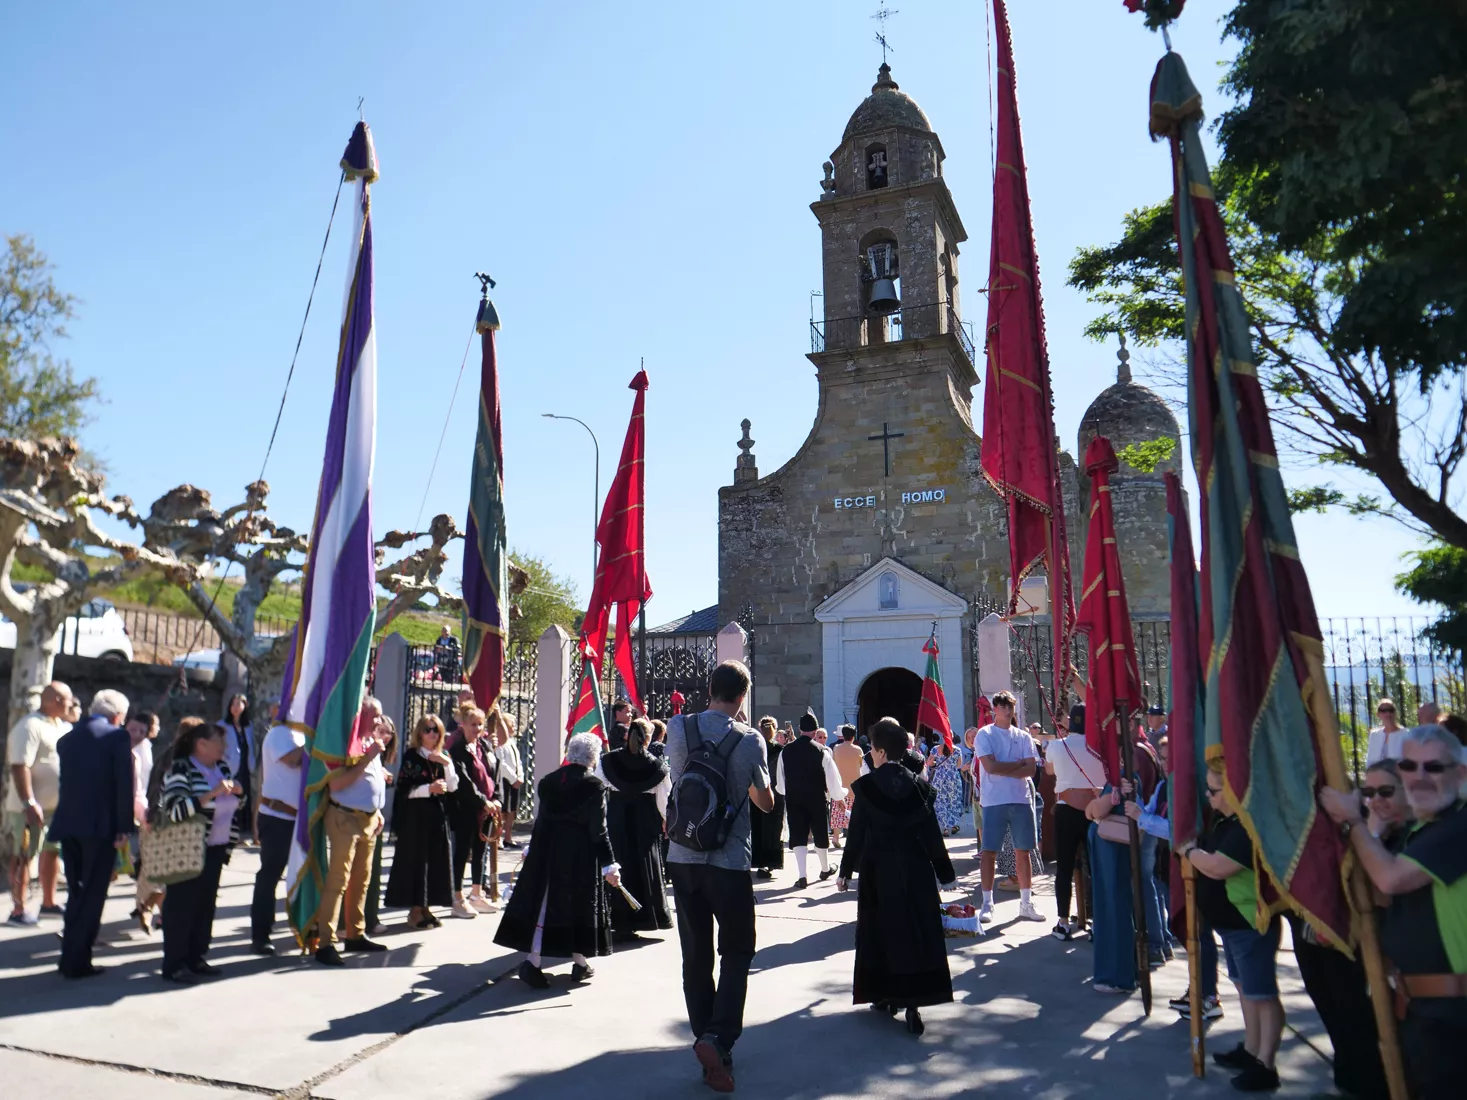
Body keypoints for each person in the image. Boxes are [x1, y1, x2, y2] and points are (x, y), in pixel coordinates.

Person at [1320, 725, 1467, 1100]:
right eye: (1409, 766)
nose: (1419, 777)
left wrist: (1353, 822)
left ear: (1460, 773)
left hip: (1454, 1017)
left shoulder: (1458, 826)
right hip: (1422, 1011)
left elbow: (1389, 880)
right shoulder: (1424, 829)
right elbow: (1374, 897)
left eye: (1433, 767)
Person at [664, 660, 773, 1093]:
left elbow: (676, 780)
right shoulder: (750, 739)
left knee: (696, 956)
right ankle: (718, 1037)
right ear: (743, 697)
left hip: (682, 854)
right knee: (737, 950)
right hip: (728, 862)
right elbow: (764, 803)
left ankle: (706, 1042)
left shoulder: (677, 727)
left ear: (709, 688)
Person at [838, 716, 957, 1037]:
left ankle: (884, 993)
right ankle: (914, 1002)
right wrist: (945, 873)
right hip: (915, 870)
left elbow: (857, 834)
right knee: (914, 932)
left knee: (881, 931)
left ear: (878, 752)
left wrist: (845, 871)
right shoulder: (920, 787)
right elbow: (932, 835)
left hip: (879, 870)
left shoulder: (866, 788)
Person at [1180, 760, 1284, 1092]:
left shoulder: (1246, 827)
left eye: (1213, 790)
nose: (1208, 796)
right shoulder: (1228, 822)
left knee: (1262, 995)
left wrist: (1190, 852)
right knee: (1246, 991)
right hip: (1232, 926)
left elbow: (1219, 867)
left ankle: (1266, 1063)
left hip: (1249, 924)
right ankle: (1252, 1049)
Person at [495, 732, 621, 985]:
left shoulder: (548, 781)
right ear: (593, 758)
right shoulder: (594, 786)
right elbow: (599, 830)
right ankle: (534, 963)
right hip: (577, 859)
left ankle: (578, 963)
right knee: (574, 910)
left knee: (545, 908)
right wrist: (609, 863)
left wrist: (533, 847)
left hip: (547, 854)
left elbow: (542, 821)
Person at [47, 689, 133, 978]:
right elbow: (123, 785)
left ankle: (70, 956)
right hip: (100, 827)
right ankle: (76, 961)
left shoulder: (67, 739)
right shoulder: (116, 737)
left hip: (69, 824)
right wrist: (124, 827)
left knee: (77, 891)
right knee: (93, 894)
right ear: (118, 716)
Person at [158, 717, 241, 982]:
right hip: (188, 849)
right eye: (220, 742)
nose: (224, 747)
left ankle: (197, 956)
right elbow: (175, 809)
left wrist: (238, 793)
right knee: (181, 907)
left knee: (205, 906)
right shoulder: (180, 769)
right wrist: (211, 795)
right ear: (201, 744)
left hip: (215, 847)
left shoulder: (222, 768)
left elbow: (233, 803)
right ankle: (175, 963)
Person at [314, 698, 390, 965]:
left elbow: (372, 781)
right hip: (344, 818)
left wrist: (377, 810)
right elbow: (337, 785)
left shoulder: (369, 743)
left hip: (368, 820)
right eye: (376, 716)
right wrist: (366, 760)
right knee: (338, 881)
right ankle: (326, 942)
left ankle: (355, 933)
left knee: (362, 880)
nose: (380, 721)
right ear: (361, 716)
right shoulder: (345, 744)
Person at [599, 716, 673, 941]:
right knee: (643, 867)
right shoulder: (658, 767)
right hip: (644, 823)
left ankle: (616, 919)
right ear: (648, 738)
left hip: (616, 821)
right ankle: (642, 918)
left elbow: (597, 789)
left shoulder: (607, 761)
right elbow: (664, 800)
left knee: (617, 864)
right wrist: (666, 821)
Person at [7, 681, 73, 926]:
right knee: (25, 855)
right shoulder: (29, 726)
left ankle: (49, 902)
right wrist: (29, 801)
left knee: (52, 853)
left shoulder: (59, 726)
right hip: (29, 808)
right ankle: (18, 909)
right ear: (55, 700)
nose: (71, 703)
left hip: (54, 807)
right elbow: (19, 765)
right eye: (67, 698)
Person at [974, 691, 1043, 923]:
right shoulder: (985, 734)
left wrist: (1007, 766)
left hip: (1021, 799)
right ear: (994, 708)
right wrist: (1016, 766)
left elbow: (1031, 770)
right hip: (994, 800)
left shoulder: (1023, 736)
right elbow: (990, 768)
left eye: (1010, 706)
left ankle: (1025, 903)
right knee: (989, 852)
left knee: (1023, 852)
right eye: (1002, 705)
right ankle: (986, 903)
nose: (1007, 709)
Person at [385, 714, 457, 929]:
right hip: (415, 819)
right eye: (428, 729)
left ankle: (427, 908)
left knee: (435, 862)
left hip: (437, 818)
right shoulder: (411, 757)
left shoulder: (443, 754)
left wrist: (447, 764)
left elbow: (453, 786)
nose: (432, 734)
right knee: (417, 863)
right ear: (419, 733)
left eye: (436, 730)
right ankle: (415, 911)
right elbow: (404, 790)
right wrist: (429, 789)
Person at [1047, 703, 1104, 941]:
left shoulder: (1057, 746)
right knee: (1097, 868)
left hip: (1066, 811)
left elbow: (1049, 771)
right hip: (1095, 810)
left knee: (1064, 867)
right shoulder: (1099, 748)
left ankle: (1063, 921)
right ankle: (1098, 921)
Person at [251, 705, 304, 954]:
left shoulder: (301, 734)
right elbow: (295, 760)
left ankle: (302, 925)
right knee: (270, 875)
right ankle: (260, 935)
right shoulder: (280, 733)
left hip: (298, 818)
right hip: (278, 817)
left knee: (301, 874)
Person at [776, 709, 846, 888]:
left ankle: (802, 876)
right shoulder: (822, 751)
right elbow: (832, 778)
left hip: (794, 798)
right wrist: (838, 797)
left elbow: (781, 779)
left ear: (800, 729)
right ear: (816, 731)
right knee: (820, 832)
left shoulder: (786, 751)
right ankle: (824, 869)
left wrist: (786, 792)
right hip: (816, 798)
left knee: (798, 834)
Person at [447, 704, 500, 917]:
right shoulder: (457, 749)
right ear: (463, 725)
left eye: (480, 724)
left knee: (480, 852)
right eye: (473, 724)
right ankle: (457, 898)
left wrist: (496, 800)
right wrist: (482, 801)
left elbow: (493, 775)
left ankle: (477, 895)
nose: (477, 728)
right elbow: (463, 781)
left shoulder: (485, 746)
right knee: (461, 853)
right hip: (466, 809)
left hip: (486, 810)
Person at [350, 715, 396, 936]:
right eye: (381, 730)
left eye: (388, 732)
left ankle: (369, 917)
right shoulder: (366, 748)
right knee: (355, 875)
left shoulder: (380, 754)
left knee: (371, 874)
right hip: (356, 818)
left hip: (374, 817)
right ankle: (351, 922)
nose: (385, 736)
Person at [125, 709, 164, 934]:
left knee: (147, 864)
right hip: (132, 812)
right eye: (132, 729)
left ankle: (146, 906)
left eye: (142, 730)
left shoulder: (146, 749)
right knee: (141, 865)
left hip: (143, 810)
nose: (137, 734)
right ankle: (144, 905)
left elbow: (146, 784)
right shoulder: (123, 751)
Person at [750, 717, 785, 879]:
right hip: (775, 791)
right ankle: (772, 862)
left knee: (757, 827)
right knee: (773, 828)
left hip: (756, 791)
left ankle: (758, 861)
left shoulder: (754, 747)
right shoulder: (779, 749)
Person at [218, 694, 255, 846]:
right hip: (230, 766)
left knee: (244, 799)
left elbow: (251, 745)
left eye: (239, 703)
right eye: (233, 703)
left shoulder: (249, 726)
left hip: (245, 766)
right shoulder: (222, 725)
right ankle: (230, 832)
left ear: (245, 706)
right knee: (231, 798)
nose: (235, 707)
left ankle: (242, 832)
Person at [491, 707, 524, 849]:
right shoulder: (500, 743)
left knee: (512, 811)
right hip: (506, 780)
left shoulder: (512, 742)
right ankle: (498, 839)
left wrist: (520, 776)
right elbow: (501, 763)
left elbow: (518, 761)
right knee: (502, 811)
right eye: (512, 723)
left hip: (515, 781)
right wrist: (513, 778)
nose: (514, 726)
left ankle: (508, 838)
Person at [829, 725, 862, 848]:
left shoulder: (836, 748)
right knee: (853, 815)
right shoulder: (858, 750)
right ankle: (852, 839)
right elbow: (861, 765)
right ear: (854, 736)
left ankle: (836, 837)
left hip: (839, 786)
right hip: (853, 786)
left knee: (838, 812)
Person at [1363, 759, 1411, 840]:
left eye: (1385, 791)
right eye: (1369, 792)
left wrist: (1373, 836)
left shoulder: (1425, 832)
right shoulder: (1364, 828)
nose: (1377, 798)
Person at [925, 744, 965, 836]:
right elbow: (959, 765)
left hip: (940, 778)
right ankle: (954, 824)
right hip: (953, 778)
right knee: (954, 801)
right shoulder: (957, 750)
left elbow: (929, 763)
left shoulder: (935, 749)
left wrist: (936, 762)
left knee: (940, 801)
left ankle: (945, 827)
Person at [1366, 697, 1405, 766]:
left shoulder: (1405, 734)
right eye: (1383, 710)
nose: (1388, 713)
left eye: (1391, 710)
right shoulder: (1374, 735)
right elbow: (1370, 760)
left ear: (1395, 713)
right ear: (1378, 714)